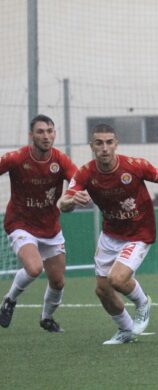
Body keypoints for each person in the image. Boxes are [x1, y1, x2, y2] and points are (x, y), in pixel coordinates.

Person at [59, 123, 158, 344]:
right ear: (91, 145)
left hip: (139, 232)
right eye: (99, 143)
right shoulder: (85, 172)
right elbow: (63, 203)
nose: (104, 148)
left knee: (117, 279)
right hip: (110, 234)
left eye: (109, 142)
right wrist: (71, 201)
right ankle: (126, 330)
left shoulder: (134, 166)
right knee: (102, 291)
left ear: (116, 144)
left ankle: (142, 303)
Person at [0, 115, 77, 333]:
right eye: (41, 131)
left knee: (58, 282)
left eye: (50, 131)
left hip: (50, 228)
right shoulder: (16, 158)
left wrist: (74, 196)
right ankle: (9, 299)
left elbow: (77, 180)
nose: (46, 136)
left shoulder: (60, 160)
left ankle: (47, 318)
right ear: (31, 135)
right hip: (20, 224)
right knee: (34, 268)